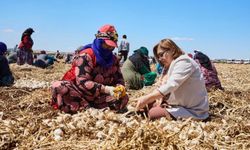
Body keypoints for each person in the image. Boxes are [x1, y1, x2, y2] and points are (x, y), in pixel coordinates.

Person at [50, 24, 128, 114]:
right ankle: (86, 108)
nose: (109, 49)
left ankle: (98, 109)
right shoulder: (87, 55)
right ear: (99, 41)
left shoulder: (113, 59)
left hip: (99, 97)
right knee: (58, 86)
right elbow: (82, 82)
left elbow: (119, 77)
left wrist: (120, 87)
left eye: (111, 46)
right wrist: (107, 89)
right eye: (106, 45)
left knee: (123, 97)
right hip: (79, 93)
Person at [136, 39, 209, 120]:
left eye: (161, 54)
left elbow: (171, 85)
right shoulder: (169, 65)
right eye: (158, 56)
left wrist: (148, 98)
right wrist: (150, 99)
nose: (160, 58)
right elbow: (161, 87)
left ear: (172, 50)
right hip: (178, 104)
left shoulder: (184, 61)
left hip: (192, 109)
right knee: (145, 107)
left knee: (152, 114)